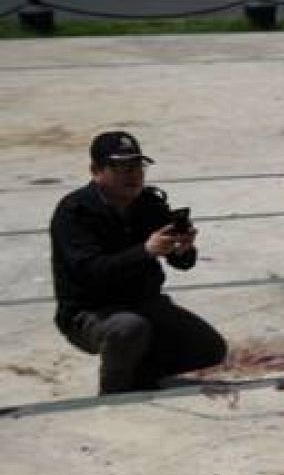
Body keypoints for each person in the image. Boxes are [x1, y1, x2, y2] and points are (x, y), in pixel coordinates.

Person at [50, 131, 227, 394]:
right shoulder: (75, 212)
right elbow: (89, 271)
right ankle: (114, 392)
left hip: (144, 303)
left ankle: (140, 373)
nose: (132, 175)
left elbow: (183, 264)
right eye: (121, 167)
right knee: (128, 328)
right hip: (91, 312)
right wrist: (144, 251)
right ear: (96, 171)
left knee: (209, 348)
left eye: (137, 166)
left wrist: (183, 249)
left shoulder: (149, 204)